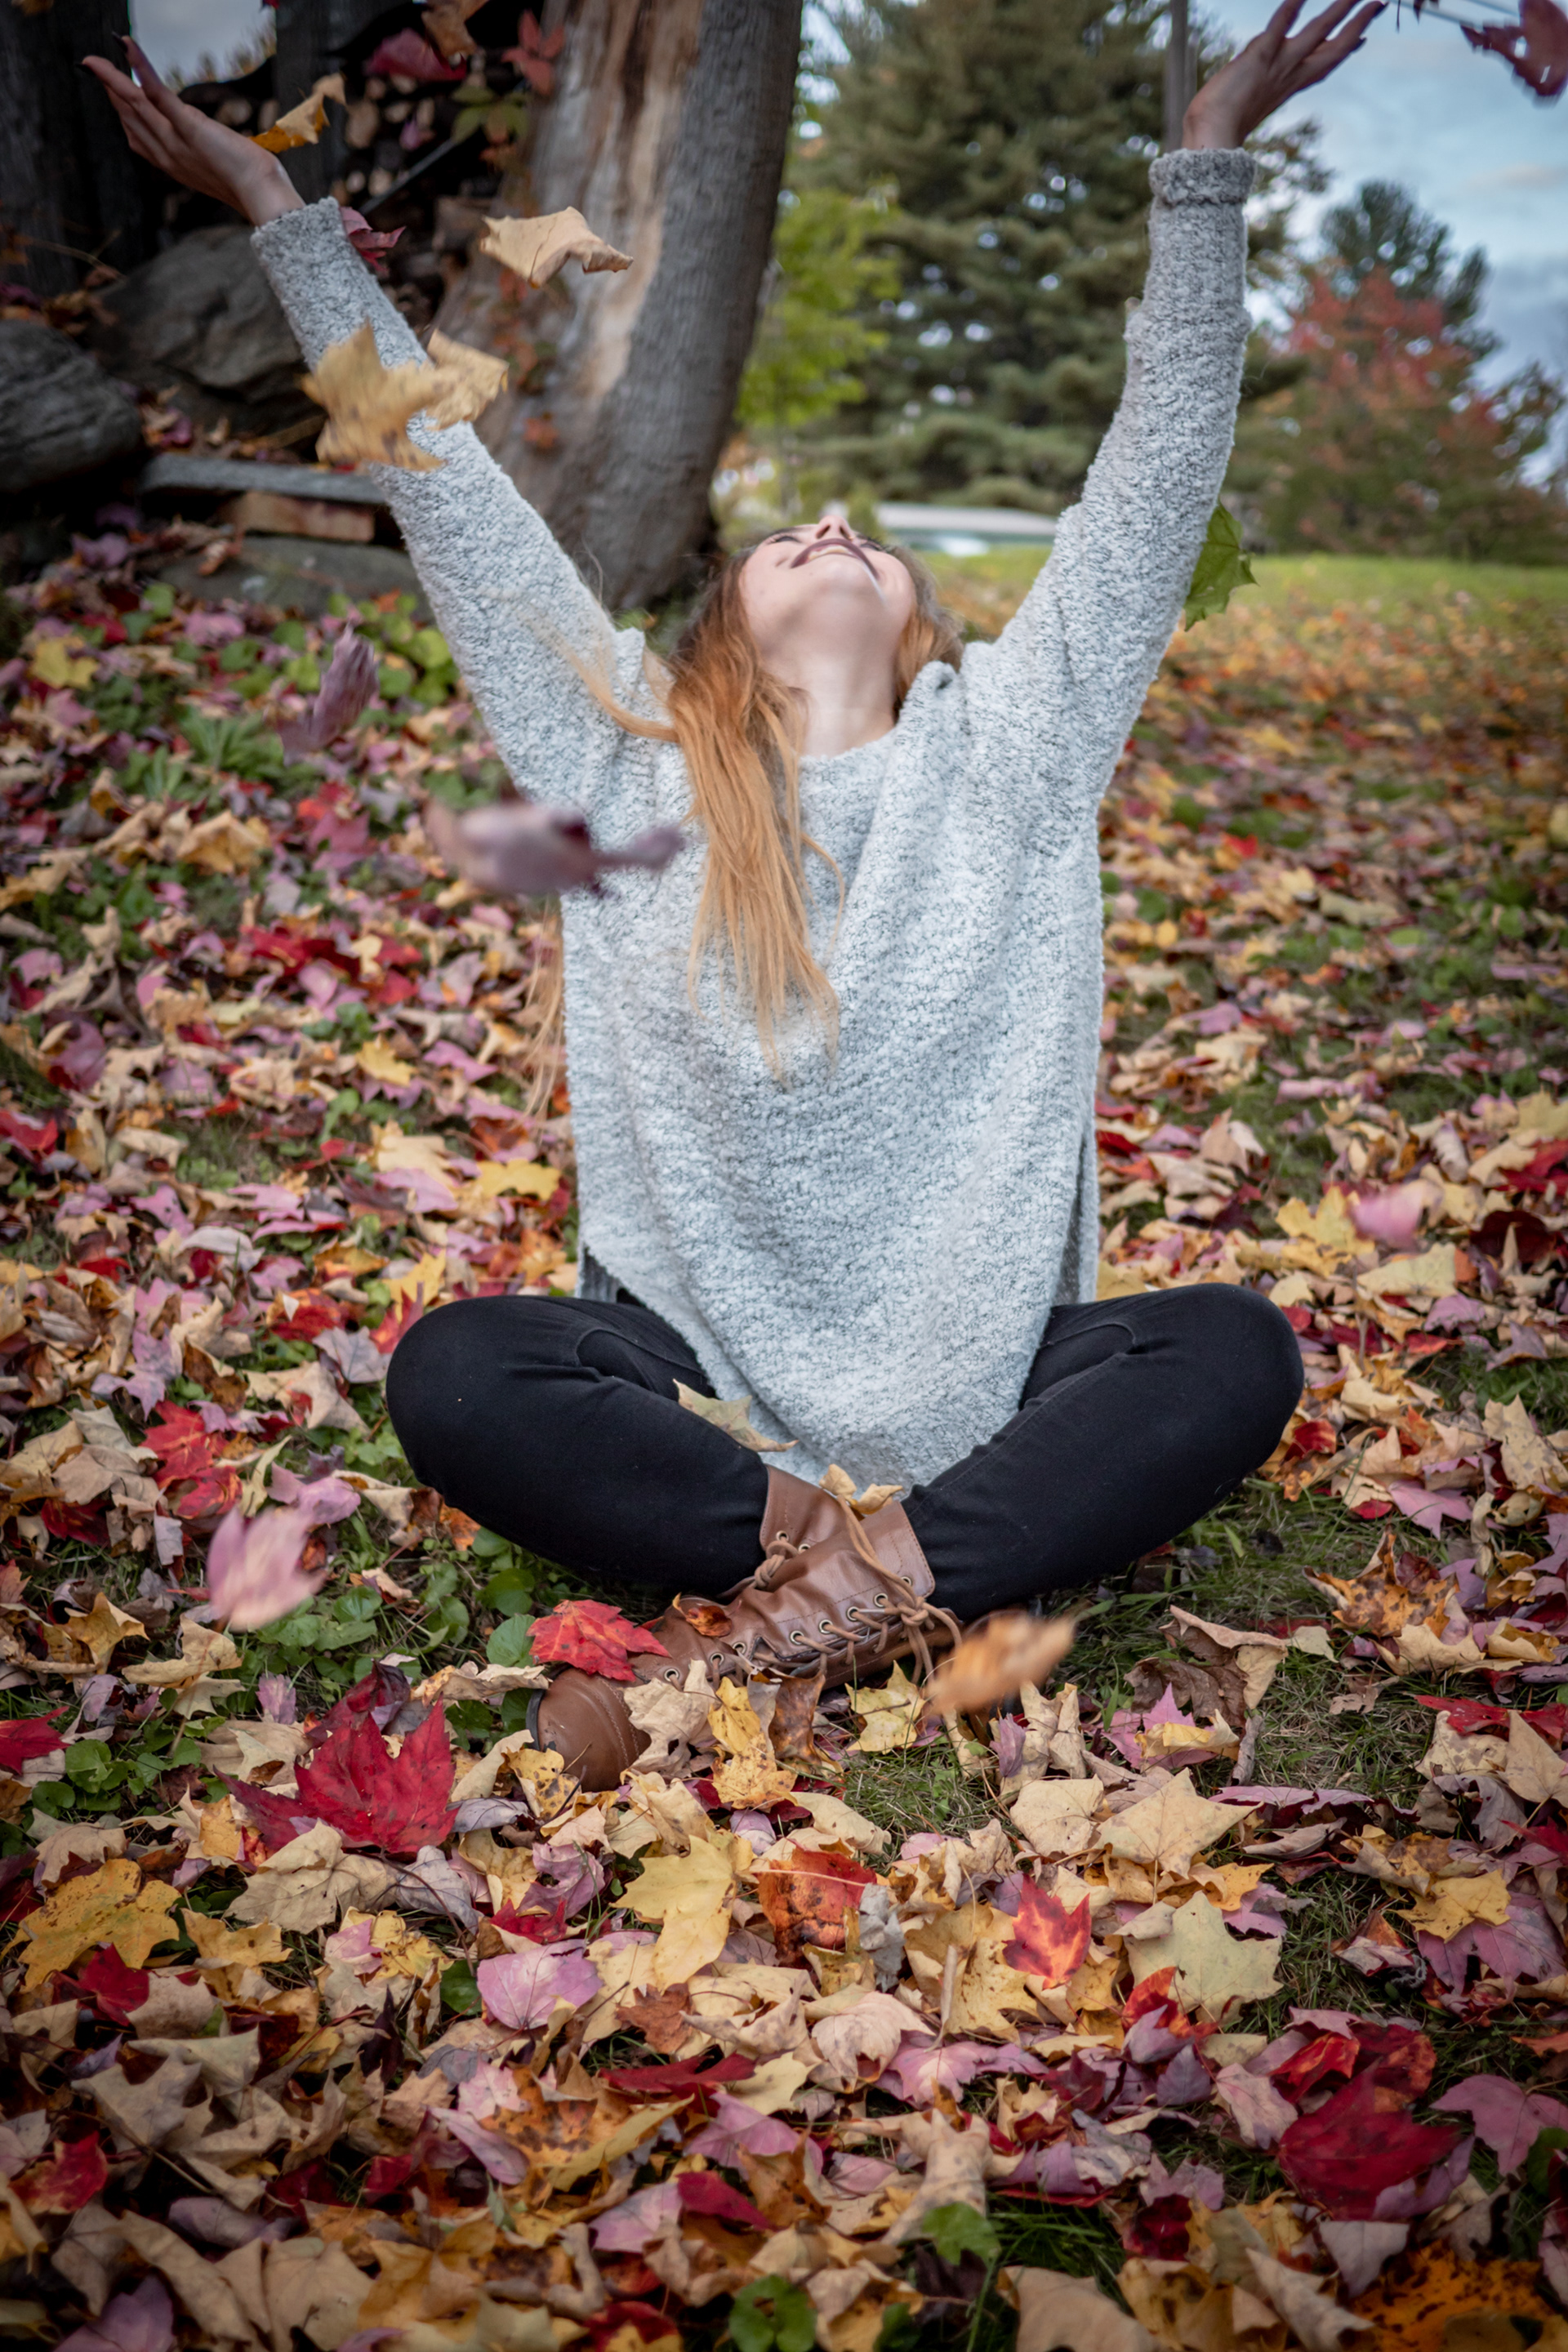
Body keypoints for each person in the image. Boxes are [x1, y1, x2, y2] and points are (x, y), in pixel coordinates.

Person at [90, 3, 1377, 1791]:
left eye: (869, 543)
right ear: (723, 627)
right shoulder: (619, 756)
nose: (836, 528)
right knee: (457, 1374)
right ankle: (869, 1571)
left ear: (920, 626)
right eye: (792, 536)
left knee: (1233, 1354)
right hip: (697, 1403)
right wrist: (278, 212)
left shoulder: (1017, 744)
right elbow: (437, 478)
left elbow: (1158, 469)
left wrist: (1207, 164)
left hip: (996, 1391)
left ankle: (785, 1629)